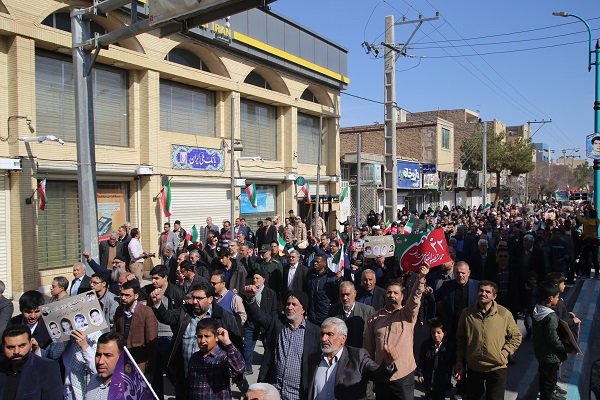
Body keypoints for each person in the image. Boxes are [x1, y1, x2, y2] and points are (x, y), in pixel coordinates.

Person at [150, 282, 244, 400]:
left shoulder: (223, 317)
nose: (194, 301)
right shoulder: (185, 313)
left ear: (210, 299)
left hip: (213, 379)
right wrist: (157, 303)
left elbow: (236, 343)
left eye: (199, 298)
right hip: (186, 375)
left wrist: (239, 375)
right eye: (193, 297)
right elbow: (167, 317)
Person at [363, 265, 429, 400]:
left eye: (395, 293)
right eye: (389, 292)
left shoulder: (407, 315)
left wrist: (421, 278)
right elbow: (368, 349)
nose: (392, 295)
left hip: (403, 376)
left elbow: (415, 297)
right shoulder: (374, 318)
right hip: (382, 374)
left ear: (402, 296)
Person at [243, 287, 321, 400]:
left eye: (294, 304)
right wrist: (250, 300)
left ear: (303, 310)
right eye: (288, 304)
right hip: (274, 392)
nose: (289, 307)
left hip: (298, 395)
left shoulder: (315, 332)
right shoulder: (278, 322)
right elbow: (259, 316)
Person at [455, 280, 522, 400]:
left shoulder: (504, 314)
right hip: (474, 367)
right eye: (481, 290)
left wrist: (504, 353)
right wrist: (459, 361)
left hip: (496, 368)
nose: (483, 294)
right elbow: (461, 339)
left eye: (487, 292)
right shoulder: (467, 313)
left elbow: (516, 337)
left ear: (494, 296)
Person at [307, 317, 398, 400]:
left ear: (343, 338)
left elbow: (378, 374)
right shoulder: (314, 359)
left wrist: (388, 364)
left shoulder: (358, 356)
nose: (323, 339)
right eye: (322, 334)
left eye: (329, 334)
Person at [533, 282, 575, 400]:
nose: (558, 299)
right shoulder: (550, 317)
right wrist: (569, 349)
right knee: (549, 382)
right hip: (550, 356)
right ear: (551, 298)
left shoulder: (537, 310)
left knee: (544, 379)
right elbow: (554, 339)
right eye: (557, 297)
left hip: (541, 353)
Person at [186, 319, 245, 400]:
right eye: (200, 336)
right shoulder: (195, 358)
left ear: (216, 338)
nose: (202, 341)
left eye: (207, 336)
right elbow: (190, 385)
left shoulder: (223, 357)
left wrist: (228, 343)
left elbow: (239, 369)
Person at [0, 324, 63, 400]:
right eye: (11, 347)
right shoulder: (2, 367)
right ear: (3, 347)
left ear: (30, 345)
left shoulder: (47, 368)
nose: (16, 351)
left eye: (21, 346)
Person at [112, 280, 158, 379]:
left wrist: (149, 370)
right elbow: (115, 334)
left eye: (127, 295)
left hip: (140, 363)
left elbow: (152, 343)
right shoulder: (120, 310)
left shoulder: (146, 312)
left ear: (136, 296)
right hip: (123, 361)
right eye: (121, 294)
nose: (123, 298)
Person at [243, 270, 278, 376]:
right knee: (248, 347)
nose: (255, 280)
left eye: (257, 278)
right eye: (254, 278)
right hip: (251, 324)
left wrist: (271, 322)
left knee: (269, 347)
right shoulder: (247, 291)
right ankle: (247, 368)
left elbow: (274, 309)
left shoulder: (270, 293)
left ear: (263, 280)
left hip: (265, 324)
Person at [416, 318, 456, 400]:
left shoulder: (448, 347)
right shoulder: (426, 345)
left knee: (440, 397)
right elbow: (421, 361)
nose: (435, 335)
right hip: (429, 380)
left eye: (438, 333)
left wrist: (456, 371)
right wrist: (420, 374)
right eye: (433, 333)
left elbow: (453, 361)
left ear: (444, 333)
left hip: (442, 382)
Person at [327, 281, 375, 348]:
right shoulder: (333, 310)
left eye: (347, 294)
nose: (345, 298)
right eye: (342, 295)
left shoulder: (367, 311)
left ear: (354, 293)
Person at [84, 331, 124, 400]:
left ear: (121, 357)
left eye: (108, 355)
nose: (100, 361)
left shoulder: (128, 390)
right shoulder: (93, 381)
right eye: (98, 355)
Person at [306, 254, 343, 325]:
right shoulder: (310, 275)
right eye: (314, 262)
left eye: (317, 262)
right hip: (312, 314)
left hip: (325, 314)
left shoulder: (331, 277)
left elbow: (337, 293)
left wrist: (338, 280)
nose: (315, 264)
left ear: (324, 263)